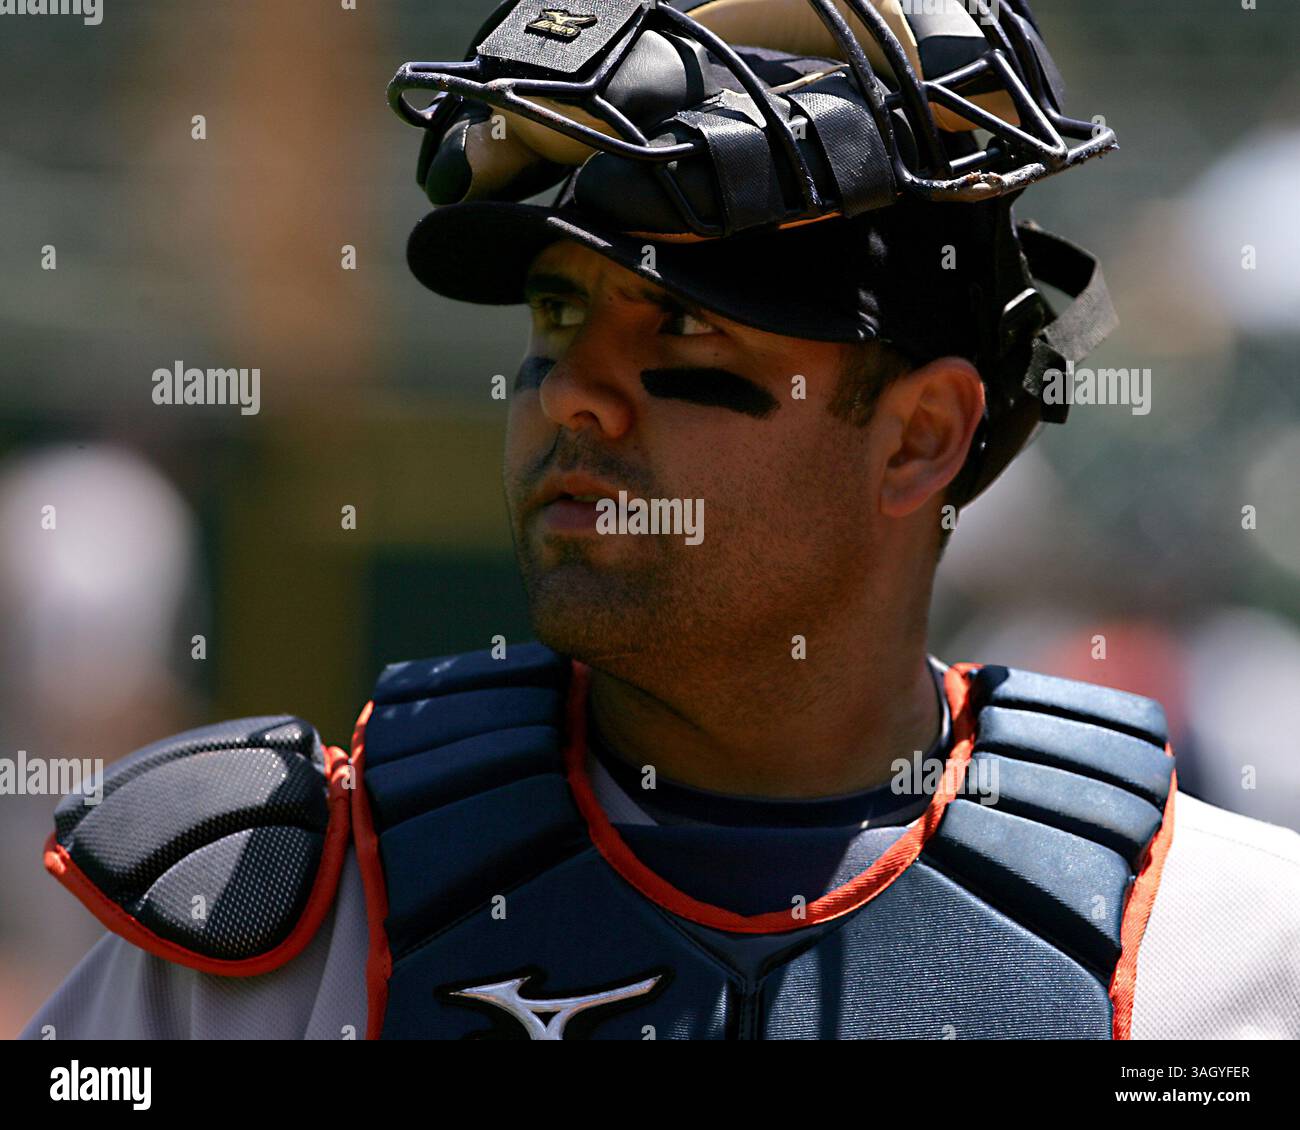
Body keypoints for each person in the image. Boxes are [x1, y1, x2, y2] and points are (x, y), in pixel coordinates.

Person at [21, 0, 1300, 1040]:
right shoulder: (276, 918)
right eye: (560, 315)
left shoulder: (1225, 946)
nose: (573, 395)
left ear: (917, 437)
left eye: (679, 323)